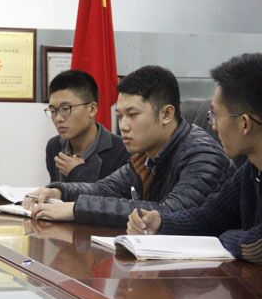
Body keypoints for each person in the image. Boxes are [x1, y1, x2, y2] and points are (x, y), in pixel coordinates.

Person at [26, 65, 231, 227]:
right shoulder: (147, 154)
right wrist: (59, 191)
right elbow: (104, 189)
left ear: (167, 114)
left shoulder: (202, 155)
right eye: (120, 116)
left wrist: (76, 209)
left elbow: (167, 213)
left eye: (132, 115)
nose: (123, 126)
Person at [127, 53, 262, 265]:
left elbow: (256, 246)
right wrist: (161, 223)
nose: (212, 125)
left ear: (245, 123)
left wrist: (224, 237)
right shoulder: (251, 169)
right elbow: (210, 216)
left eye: (215, 115)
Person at [44, 70, 129, 183]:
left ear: (92, 109)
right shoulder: (54, 146)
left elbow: (115, 194)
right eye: (53, 110)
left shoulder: (122, 151)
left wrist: (79, 172)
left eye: (65, 108)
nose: (58, 118)